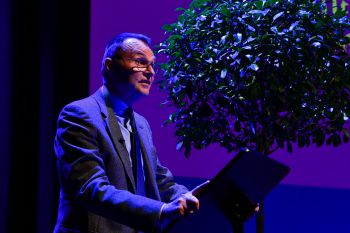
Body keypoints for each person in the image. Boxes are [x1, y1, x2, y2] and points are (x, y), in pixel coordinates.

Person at [53, 32, 200, 233]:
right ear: (110, 66)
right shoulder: (78, 114)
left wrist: (196, 198)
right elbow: (91, 188)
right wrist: (161, 211)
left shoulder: (141, 124)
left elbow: (160, 181)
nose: (150, 72)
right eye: (140, 62)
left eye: (152, 65)